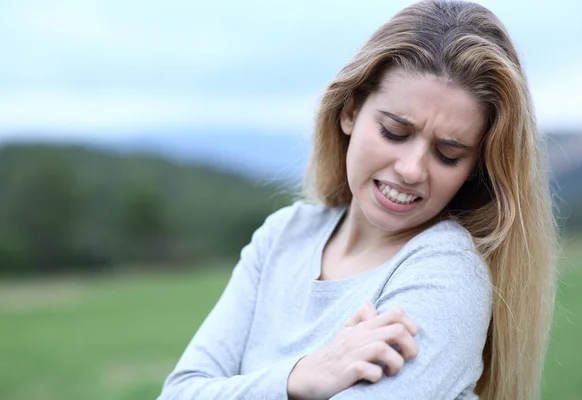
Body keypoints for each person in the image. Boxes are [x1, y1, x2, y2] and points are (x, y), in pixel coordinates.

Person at [157, 0, 558, 399]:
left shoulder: (448, 274)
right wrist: (298, 379)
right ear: (350, 111)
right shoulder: (282, 236)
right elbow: (178, 392)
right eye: (394, 132)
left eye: (448, 154)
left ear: (475, 167)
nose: (412, 169)